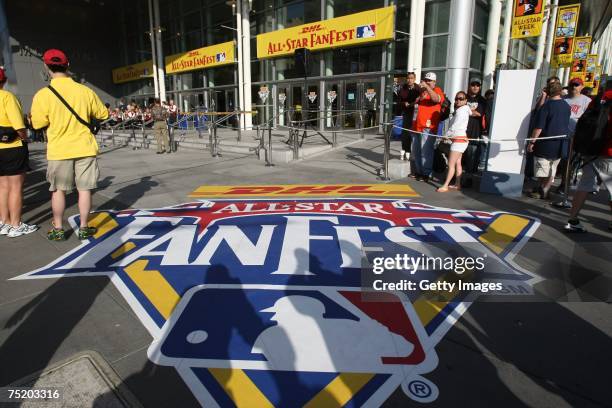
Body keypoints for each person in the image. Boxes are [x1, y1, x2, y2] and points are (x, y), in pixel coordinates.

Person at [30, 49, 109, 241]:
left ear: (46, 67)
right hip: (84, 147)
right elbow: (103, 115)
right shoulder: (85, 91)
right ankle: (83, 227)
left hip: (59, 150)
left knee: (58, 191)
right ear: (68, 65)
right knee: (85, 189)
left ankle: (58, 229)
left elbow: (37, 124)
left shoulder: (43, 95)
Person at [564, 90, 611, 232]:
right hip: (607, 153)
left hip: (589, 149)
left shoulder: (602, 96)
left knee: (584, 184)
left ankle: (572, 220)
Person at [0, 68, 38, 238]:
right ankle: (15, 225)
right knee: (15, 187)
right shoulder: (7, 97)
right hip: (12, 147)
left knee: (3, 187)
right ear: (4, 80)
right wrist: (25, 139)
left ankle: (4, 222)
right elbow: (19, 126)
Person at [527, 82, 570, 199]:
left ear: (548, 92)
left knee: (542, 169)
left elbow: (539, 127)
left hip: (545, 143)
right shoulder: (566, 106)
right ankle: (545, 189)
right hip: (561, 143)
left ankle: (543, 189)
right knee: (553, 168)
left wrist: (532, 142)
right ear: (560, 91)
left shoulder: (546, 106)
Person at [557, 77, 592, 193]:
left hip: (576, 136)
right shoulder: (563, 99)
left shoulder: (586, 101)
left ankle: (564, 184)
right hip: (561, 134)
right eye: (572, 85)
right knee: (561, 160)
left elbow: (590, 119)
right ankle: (562, 181)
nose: (574, 87)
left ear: (581, 87)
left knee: (570, 161)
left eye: (576, 85)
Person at [410, 72, 444, 182]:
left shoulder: (437, 90)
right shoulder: (422, 92)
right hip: (416, 126)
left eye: (430, 80)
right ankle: (419, 172)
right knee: (417, 151)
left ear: (434, 82)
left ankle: (426, 173)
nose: (427, 82)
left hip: (428, 127)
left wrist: (427, 88)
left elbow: (436, 99)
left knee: (426, 151)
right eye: (426, 80)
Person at [437, 92, 471, 192]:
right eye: (456, 99)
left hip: (458, 141)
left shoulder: (461, 111)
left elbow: (454, 126)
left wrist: (446, 135)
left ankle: (445, 185)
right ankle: (457, 184)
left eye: (461, 99)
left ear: (466, 100)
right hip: (461, 140)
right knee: (458, 163)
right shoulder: (463, 110)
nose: (458, 100)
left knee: (451, 165)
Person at [461, 78, 487, 188]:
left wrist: (466, 111)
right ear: (469, 85)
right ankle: (457, 177)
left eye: (477, 85)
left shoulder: (482, 100)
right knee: (460, 157)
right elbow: (458, 109)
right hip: (461, 131)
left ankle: (468, 179)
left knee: (472, 159)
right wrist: (472, 112)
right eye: (473, 84)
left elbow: (479, 114)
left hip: (475, 133)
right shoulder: (463, 97)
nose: (475, 87)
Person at [399, 72, 420, 161]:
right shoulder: (403, 88)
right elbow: (399, 100)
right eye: (408, 78)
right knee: (405, 133)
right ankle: (405, 150)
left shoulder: (418, 88)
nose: (409, 80)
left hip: (417, 113)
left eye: (411, 78)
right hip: (407, 113)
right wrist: (404, 103)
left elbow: (421, 99)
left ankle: (415, 153)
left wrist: (416, 102)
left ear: (414, 79)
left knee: (415, 134)